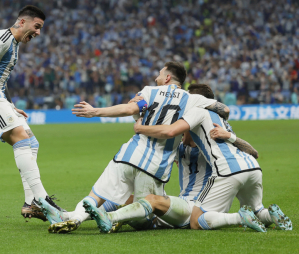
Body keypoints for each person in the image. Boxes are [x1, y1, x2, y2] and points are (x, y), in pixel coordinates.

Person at [41, 62, 230, 233]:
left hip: (129, 155)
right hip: (154, 167)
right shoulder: (191, 100)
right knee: (145, 216)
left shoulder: (149, 91)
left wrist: (95, 111)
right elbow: (224, 109)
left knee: (98, 194)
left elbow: (129, 109)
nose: (156, 77)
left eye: (159, 73)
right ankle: (103, 219)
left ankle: (74, 217)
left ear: (167, 78)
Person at [83, 85, 270, 233]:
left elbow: (169, 131)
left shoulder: (203, 133)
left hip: (194, 206)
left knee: (152, 200)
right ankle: (81, 215)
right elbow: (163, 140)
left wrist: (139, 128)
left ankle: (112, 218)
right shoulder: (193, 139)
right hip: (184, 202)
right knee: (131, 196)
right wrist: (137, 111)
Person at [128, 84, 292, 232]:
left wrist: (140, 122)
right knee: (257, 210)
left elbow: (171, 131)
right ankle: (270, 217)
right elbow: (254, 152)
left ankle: (239, 218)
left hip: (227, 170)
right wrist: (230, 136)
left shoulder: (196, 114)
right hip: (252, 167)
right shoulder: (219, 120)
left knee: (196, 220)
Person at [0, 5, 55, 221]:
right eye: (36, 27)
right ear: (21, 22)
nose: (38, 33)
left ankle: (31, 203)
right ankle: (42, 199)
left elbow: (1, 78)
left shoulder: (15, 44)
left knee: (32, 143)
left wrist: (9, 104)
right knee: (22, 141)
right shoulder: (4, 36)